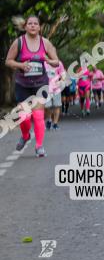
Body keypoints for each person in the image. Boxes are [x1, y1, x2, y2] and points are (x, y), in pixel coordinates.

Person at [4, 16, 61, 156]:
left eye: (36, 23)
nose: (33, 26)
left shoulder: (45, 43)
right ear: (25, 27)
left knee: (38, 115)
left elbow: (56, 62)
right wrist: (21, 65)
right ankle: (25, 136)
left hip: (40, 84)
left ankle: (39, 146)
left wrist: (48, 60)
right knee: (24, 116)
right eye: (30, 24)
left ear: (39, 27)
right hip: (23, 84)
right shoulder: (19, 42)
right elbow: (8, 61)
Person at [44, 59, 67, 130]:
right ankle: (49, 119)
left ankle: (55, 124)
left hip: (56, 89)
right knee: (47, 106)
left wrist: (61, 81)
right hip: (46, 88)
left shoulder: (59, 63)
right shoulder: (44, 63)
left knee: (57, 105)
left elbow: (63, 75)